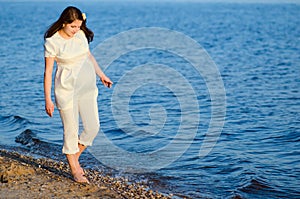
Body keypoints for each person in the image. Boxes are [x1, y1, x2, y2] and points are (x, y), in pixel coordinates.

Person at [43, 6, 113, 183]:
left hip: (88, 89)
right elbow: (48, 71)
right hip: (66, 91)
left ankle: (73, 158)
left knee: (92, 128)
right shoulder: (53, 41)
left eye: (79, 26)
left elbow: (88, 56)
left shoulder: (80, 35)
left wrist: (102, 75)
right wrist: (48, 99)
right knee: (71, 131)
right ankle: (75, 169)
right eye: (73, 27)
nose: (76, 30)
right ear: (64, 23)